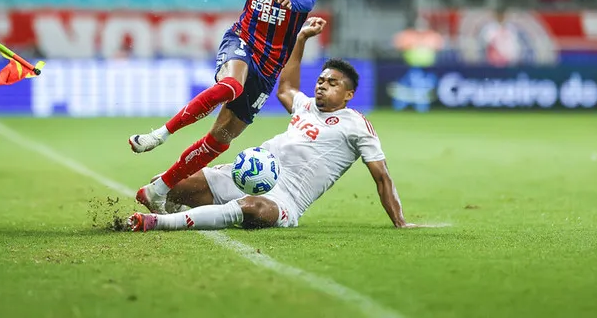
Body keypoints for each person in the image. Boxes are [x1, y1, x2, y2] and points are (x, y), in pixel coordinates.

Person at [127, 18, 420, 232]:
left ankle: (159, 223)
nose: (322, 87)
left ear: (349, 94)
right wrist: (301, 39)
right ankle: (187, 209)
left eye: (332, 83)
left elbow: (382, 176)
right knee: (164, 183)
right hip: (245, 175)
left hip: (285, 197)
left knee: (252, 208)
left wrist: (400, 221)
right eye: (320, 81)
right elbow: (285, 88)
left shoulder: (356, 126)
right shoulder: (305, 106)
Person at [129, 0, 327, 214]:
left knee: (220, 140)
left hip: (270, 65)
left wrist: (293, 1)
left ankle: (158, 189)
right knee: (232, 84)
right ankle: (159, 135)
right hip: (243, 40)